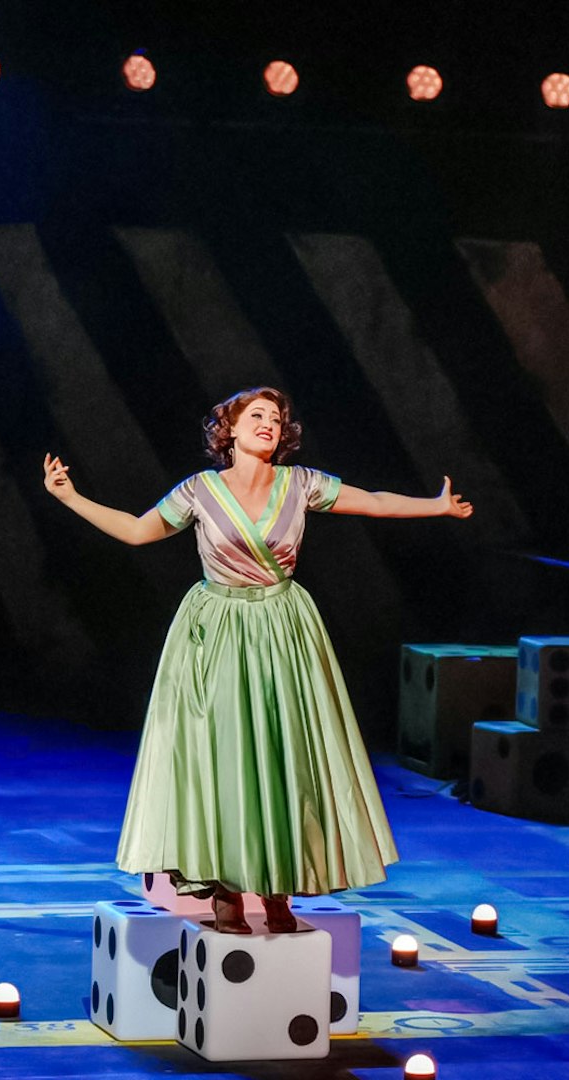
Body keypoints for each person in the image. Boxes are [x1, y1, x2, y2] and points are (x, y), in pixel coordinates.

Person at [43, 387, 473, 933]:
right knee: (224, 755)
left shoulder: (301, 484)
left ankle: (278, 888)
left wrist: (436, 505)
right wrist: (70, 498)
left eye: (276, 417)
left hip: (282, 627)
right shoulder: (200, 490)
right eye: (257, 415)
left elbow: (375, 501)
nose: (269, 423)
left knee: (283, 753)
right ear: (230, 429)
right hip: (217, 630)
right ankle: (225, 887)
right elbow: (136, 531)